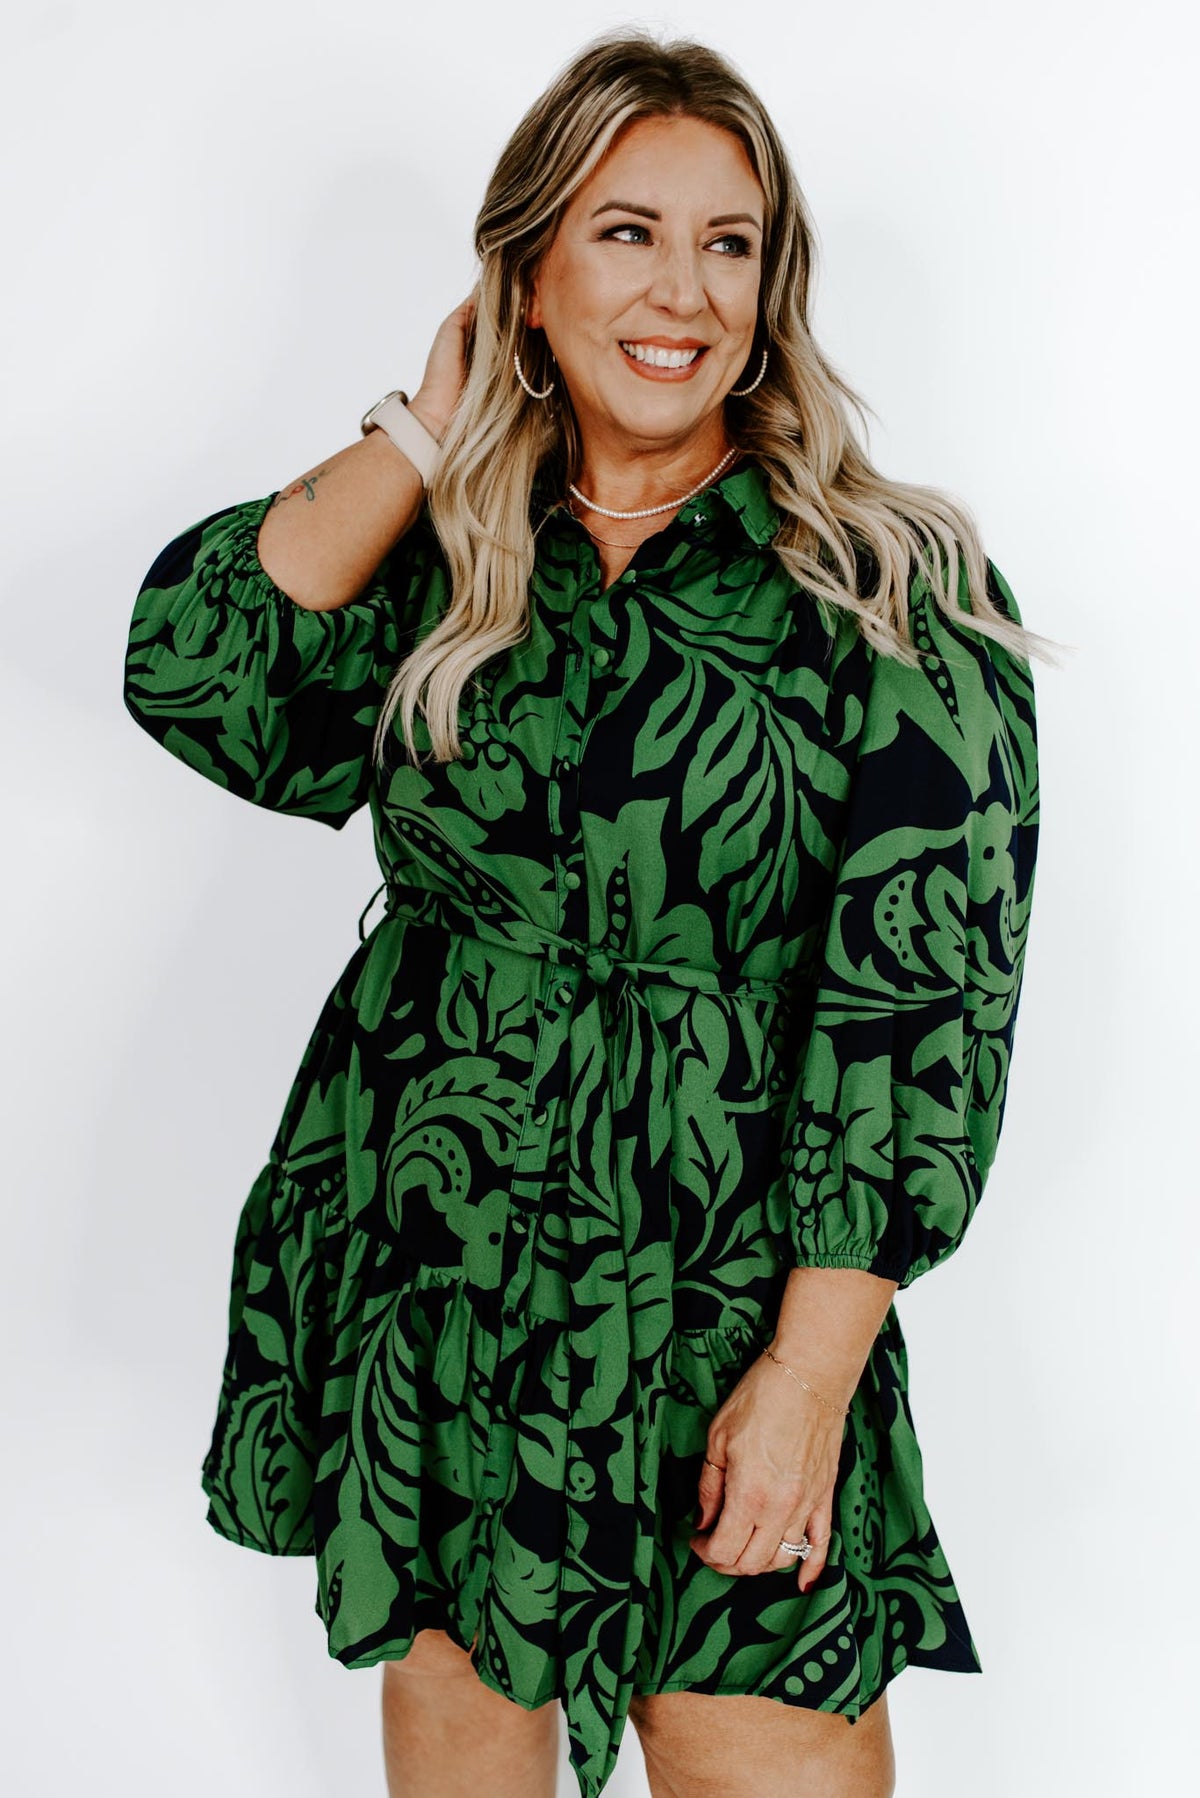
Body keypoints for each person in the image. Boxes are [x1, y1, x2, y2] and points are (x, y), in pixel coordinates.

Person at [123, 28, 1049, 1798]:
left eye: (728, 243)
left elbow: (923, 1018)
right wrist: (426, 424)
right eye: (626, 233)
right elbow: (195, 670)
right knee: (462, 1731)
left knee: (750, 1734)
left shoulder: (893, 592)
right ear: (528, 274)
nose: (681, 290)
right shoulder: (448, 555)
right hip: (446, 1257)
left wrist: (809, 1376)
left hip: (729, 1293)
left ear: (772, 291)